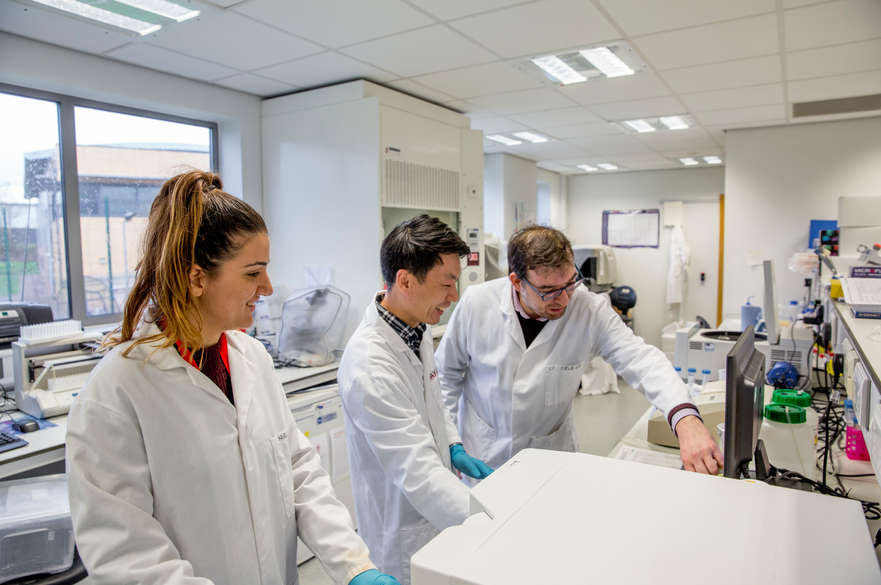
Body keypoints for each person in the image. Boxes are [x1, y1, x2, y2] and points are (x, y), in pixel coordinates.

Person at [66, 171, 399, 585]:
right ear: (197, 278)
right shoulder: (117, 392)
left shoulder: (252, 359)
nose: (268, 286)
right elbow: (129, 559)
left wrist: (355, 566)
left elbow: (299, 472)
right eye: (252, 273)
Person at [436, 225, 722, 475]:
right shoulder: (477, 304)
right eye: (548, 290)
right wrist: (450, 443)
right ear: (516, 282)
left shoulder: (588, 309)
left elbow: (641, 359)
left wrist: (685, 418)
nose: (563, 299)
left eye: (570, 283)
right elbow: (445, 377)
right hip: (483, 455)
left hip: (550, 458)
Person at [338, 215, 493, 585]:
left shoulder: (416, 328)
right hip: (401, 529)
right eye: (447, 284)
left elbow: (432, 402)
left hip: (436, 510)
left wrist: (453, 444)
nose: (454, 297)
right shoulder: (369, 365)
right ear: (405, 280)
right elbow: (417, 469)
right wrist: (492, 523)